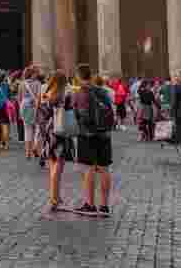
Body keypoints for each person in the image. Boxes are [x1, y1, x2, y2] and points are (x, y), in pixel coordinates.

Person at [73, 64, 114, 215]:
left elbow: (76, 113)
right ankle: (104, 205)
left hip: (87, 134)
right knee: (104, 168)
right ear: (90, 75)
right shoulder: (103, 91)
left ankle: (90, 204)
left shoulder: (80, 93)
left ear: (78, 76)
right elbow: (110, 111)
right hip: (104, 134)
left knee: (89, 168)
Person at [35, 70, 71, 209]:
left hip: (49, 132)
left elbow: (41, 115)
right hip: (60, 132)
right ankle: (54, 199)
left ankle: (55, 195)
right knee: (58, 167)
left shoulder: (46, 95)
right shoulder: (64, 96)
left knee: (52, 167)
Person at [20, 66, 43, 159]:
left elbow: (20, 98)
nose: (38, 74)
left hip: (24, 106)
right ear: (33, 74)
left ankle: (27, 153)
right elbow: (38, 97)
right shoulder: (38, 83)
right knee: (38, 129)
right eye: (36, 73)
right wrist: (37, 109)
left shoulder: (22, 84)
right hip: (34, 106)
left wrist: (20, 110)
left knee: (27, 130)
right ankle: (35, 148)